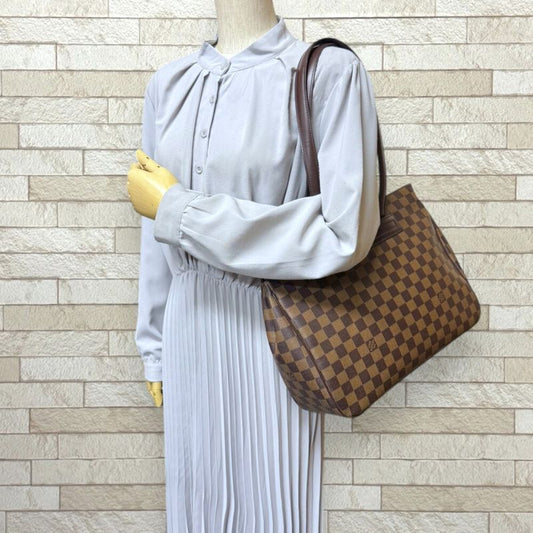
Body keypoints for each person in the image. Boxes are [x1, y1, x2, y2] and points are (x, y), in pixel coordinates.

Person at [128, 12, 380, 533]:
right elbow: (156, 234)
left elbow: (345, 231)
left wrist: (182, 212)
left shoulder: (326, 71)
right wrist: (154, 347)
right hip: (187, 326)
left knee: (272, 505)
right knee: (197, 506)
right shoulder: (167, 86)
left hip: (274, 328)